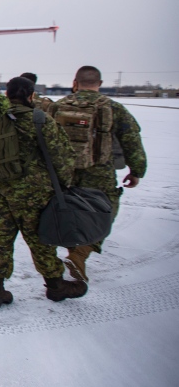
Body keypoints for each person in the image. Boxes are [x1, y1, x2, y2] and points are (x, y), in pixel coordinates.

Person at [0, 77, 88, 307]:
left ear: (7, 94)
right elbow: (62, 156)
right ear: (31, 96)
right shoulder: (39, 118)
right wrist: (62, 185)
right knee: (41, 239)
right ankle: (56, 286)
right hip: (32, 192)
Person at [49, 66, 146, 282]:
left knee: (68, 208)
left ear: (75, 82)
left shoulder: (58, 106)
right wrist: (136, 170)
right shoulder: (112, 108)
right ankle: (81, 253)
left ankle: (69, 248)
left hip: (64, 170)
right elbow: (131, 139)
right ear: (99, 84)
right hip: (99, 170)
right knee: (105, 211)